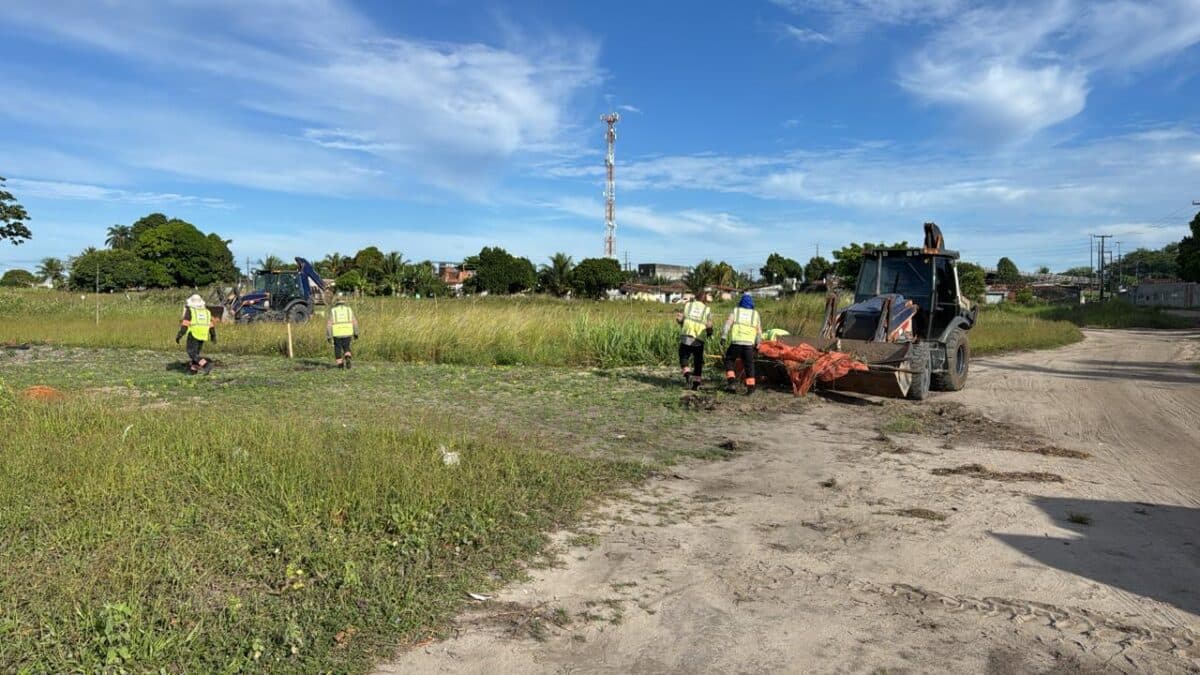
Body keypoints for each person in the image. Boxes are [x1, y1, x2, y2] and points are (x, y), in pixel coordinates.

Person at [722, 292, 762, 394]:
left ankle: (731, 382)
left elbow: (727, 325)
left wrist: (723, 337)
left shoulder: (736, 311)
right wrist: (758, 345)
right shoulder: (755, 314)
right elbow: (759, 332)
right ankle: (751, 388)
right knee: (749, 365)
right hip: (749, 345)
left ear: (741, 301)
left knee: (729, 359)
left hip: (736, 343)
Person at [675, 292, 713, 390]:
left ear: (696, 298)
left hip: (686, 334)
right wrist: (709, 333)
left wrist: (679, 320)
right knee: (698, 361)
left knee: (683, 356)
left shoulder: (688, 305)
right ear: (704, 300)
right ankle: (696, 384)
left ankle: (687, 374)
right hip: (699, 338)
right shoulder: (707, 309)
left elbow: (681, 319)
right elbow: (709, 325)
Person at [175, 294, 216, 374]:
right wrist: (213, 335)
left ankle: (206, 364)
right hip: (203, 334)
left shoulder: (190, 310)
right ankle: (193, 370)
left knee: (191, 353)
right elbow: (211, 325)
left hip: (194, 334)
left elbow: (185, 324)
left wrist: (179, 335)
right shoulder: (207, 312)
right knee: (196, 353)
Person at [326, 297, 359, 369]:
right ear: (344, 302)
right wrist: (356, 333)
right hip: (347, 332)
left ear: (336, 302)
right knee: (346, 347)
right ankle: (347, 357)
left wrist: (329, 336)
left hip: (337, 333)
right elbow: (355, 322)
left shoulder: (333, 311)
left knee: (337, 348)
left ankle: (340, 365)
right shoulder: (349, 310)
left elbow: (329, 324)